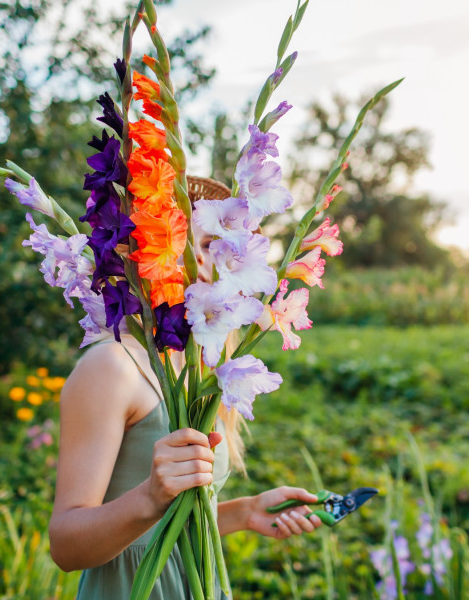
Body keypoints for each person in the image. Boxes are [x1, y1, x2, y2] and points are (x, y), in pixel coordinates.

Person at [48, 211, 324, 599]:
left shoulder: (206, 366)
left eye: (219, 246)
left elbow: (171, 527)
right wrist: (148, 496)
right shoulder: (112, 367)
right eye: (191, 243)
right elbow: (65, 547)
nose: (205, 260)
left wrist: (246, 512)